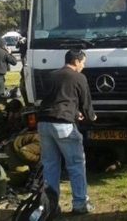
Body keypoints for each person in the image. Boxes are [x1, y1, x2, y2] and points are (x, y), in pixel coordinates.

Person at [38, 49, 97, 215]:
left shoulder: (51, 75)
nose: (83, 66)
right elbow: (86, 102)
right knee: (76, 164)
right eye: (83, 62)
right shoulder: (79, 77)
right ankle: (80, 204)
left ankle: (51, 207)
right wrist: (91, 117)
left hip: (43, 123)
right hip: (63, 125)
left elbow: (55, 99)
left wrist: (73, 111)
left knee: (50, 166)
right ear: (76, 61)